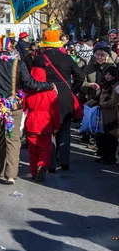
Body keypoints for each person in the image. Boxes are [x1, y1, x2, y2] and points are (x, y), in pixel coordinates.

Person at [0, 36, 55, 185]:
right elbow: (30, 83)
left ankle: (0, 170)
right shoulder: (18, 64)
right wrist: (49, 85)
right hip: (14, 107)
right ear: (11, 49)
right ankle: (11, 175)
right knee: (13, 140)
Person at [32, 27, 84, 171]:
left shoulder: (39, 59)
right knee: (65, 129)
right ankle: (65, 161)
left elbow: (33, 79)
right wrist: (72, 90)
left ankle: (52, 163)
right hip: (65, 96)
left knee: (49, 129)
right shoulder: (67, 58)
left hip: (46, 95)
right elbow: (80, 76)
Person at [24, 67, 61, 182]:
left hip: (31, 122)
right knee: (45, 149)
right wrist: (56, 126)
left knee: (32, 150)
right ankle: (42, 165)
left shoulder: (28, 92)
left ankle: (34, 171)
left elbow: (23, 107)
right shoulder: (51, 93)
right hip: (45, 122)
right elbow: (55, 112)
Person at [94, 66, 119, 164]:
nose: (108, 76)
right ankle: (104, 155)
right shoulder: (105, 85)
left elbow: (114, 101)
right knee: (103, 136)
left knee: (111, 137)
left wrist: (102, 105)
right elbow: (99, 97)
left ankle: (110, 157)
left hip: (112, 114)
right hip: (103, 113)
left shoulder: (116, 86)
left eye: (110, 74)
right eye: (106, 74)